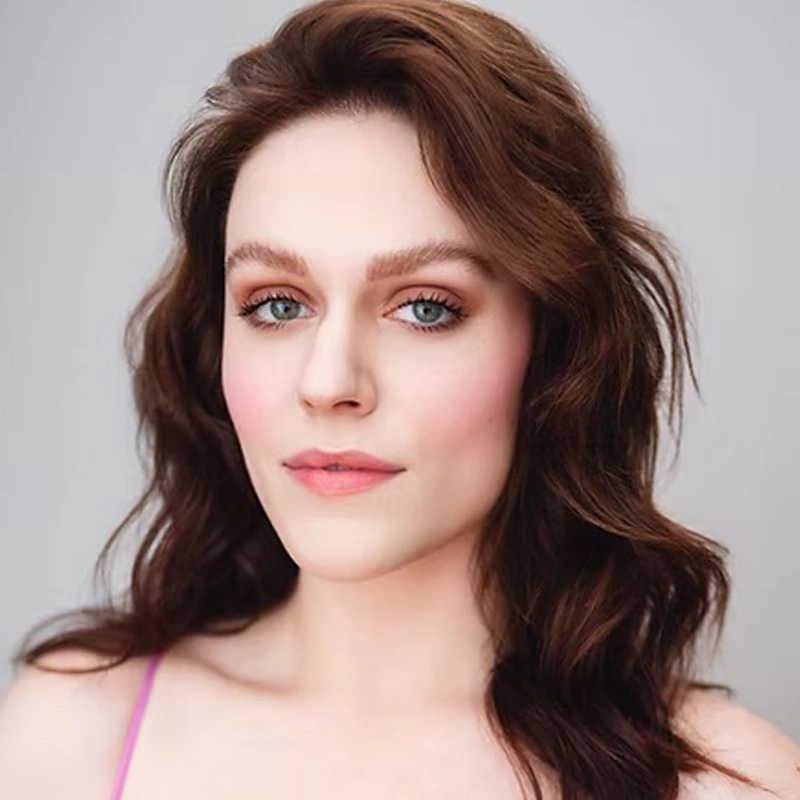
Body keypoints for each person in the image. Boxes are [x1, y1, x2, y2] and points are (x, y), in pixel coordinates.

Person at [0, 0, 797, 798]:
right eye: (278, 304)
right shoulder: (69, 735)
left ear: (553, 348)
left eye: (425, 307)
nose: (328, 382)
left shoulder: (724, 785)